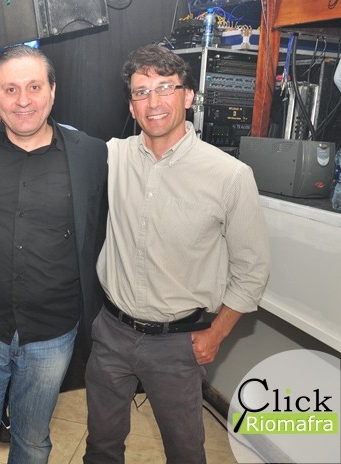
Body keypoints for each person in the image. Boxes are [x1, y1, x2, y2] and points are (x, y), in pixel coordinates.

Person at [83, 44, 270, 464]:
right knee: (101, 449)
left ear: (188, 96)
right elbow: (54, 140)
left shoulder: (230, 176)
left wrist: (216, 334)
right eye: (141, 92)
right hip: (111, 333)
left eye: (165, 88)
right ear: (131, 106)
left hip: (178, 344)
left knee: (186, 454)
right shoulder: (111, 157)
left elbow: (252, 270)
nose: (154, 102)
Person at [0, 45, 107, 463]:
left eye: (34, 87)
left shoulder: (91, 153)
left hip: (52, 332)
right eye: (10, 89)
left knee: (33, 443)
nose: (23, 100)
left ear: (53, 91)